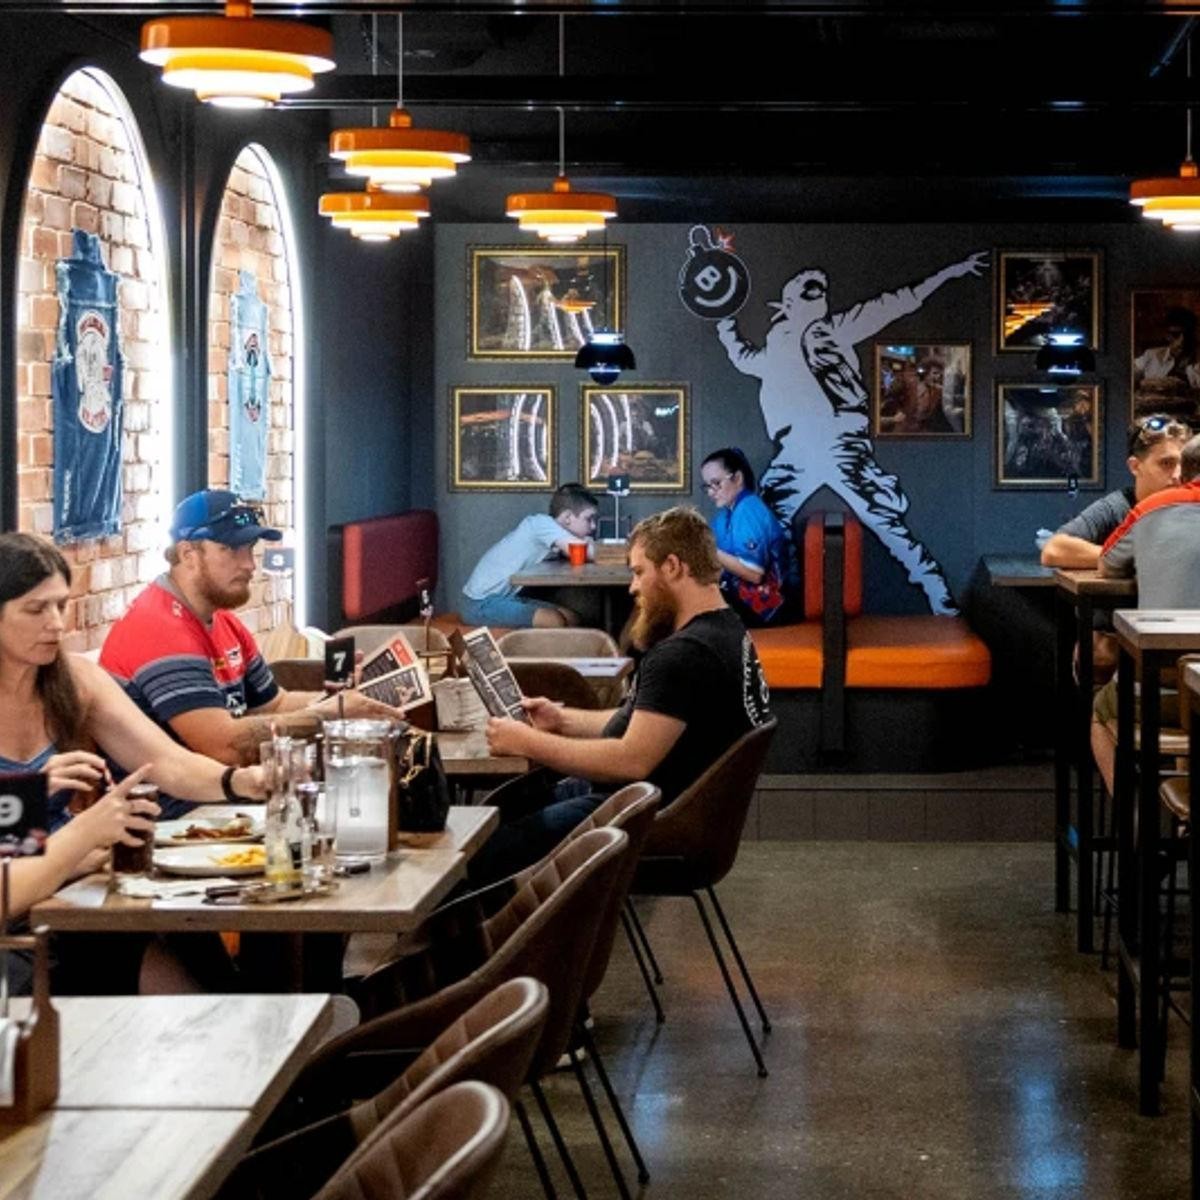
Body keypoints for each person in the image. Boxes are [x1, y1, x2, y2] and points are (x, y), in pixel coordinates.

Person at [473, 506, 772, 883]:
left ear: (673, 567)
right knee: (507, 809)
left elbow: (631, 760)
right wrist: (561, 719)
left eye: (639, 572)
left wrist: (526, 742)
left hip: (651, 819)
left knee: (486, 847)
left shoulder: (685, 654)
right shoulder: (728, 632)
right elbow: (643, 719)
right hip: (665, 807)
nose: (633, 587)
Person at [715, 251, 988, 615]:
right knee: (768, 524)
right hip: (796, 449)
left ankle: (939, 597)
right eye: (807, 291)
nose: (817, 295)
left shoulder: (833, 328)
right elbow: (744, 358)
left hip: (840, 442)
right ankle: (772, 601)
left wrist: (948, 272)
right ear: (789, 303)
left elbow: (893, 303)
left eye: (819, 291)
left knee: (885, 522)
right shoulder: (778, 344)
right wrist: (725, 324)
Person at [100, 490, 398, 801]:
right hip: (170, 813)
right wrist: (329, 714)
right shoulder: (160, 629)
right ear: (188, 554)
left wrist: (343, 700)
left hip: (223, 799)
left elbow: (275, 704)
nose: (249, 565)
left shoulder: (224, 621)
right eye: (231, 549)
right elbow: (222, 746)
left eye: (250, 548)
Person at [0, 532, 264, 835]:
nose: (56, 624)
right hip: (48, 860)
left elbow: (165, 762)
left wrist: (240, 782)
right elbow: (15, 857)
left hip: (77, 857)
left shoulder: (77, 679)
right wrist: (31, 799)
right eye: (35, 610)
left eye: (61, 606)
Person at [1089, 434, 1200, 791]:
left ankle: (1135, 820)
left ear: (1185, 472)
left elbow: (1107, 564)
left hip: (1161, 690)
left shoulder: (1152, 507)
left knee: (1101, 711)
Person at [461, 483, 599, 629]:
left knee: (572, 619)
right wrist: (595, 547)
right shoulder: (541, 524)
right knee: (553, 620)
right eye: (589, 519)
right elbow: (586, 551)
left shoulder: (555, 537)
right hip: (480, 603)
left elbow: (582, 549)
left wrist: (587, 543)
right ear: (568, 517)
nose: (593, 526)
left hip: (507, 599)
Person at [699, 447, 789, 625]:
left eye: (716, 483)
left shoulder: (748, 510)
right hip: (741, 597)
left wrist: (708, 549)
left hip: (766, 607)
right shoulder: (727, 513)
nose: (710, 492)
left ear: (738, 478)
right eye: (707, 486)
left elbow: (754, 574)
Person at [1133, 307, 1200, 419]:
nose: (1182, 340)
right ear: (1167, 335)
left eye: (1187, 335)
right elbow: (1126, 375)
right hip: (1153, 418)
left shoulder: (1197, 360)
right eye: (1176, 335)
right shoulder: (1151, 356)